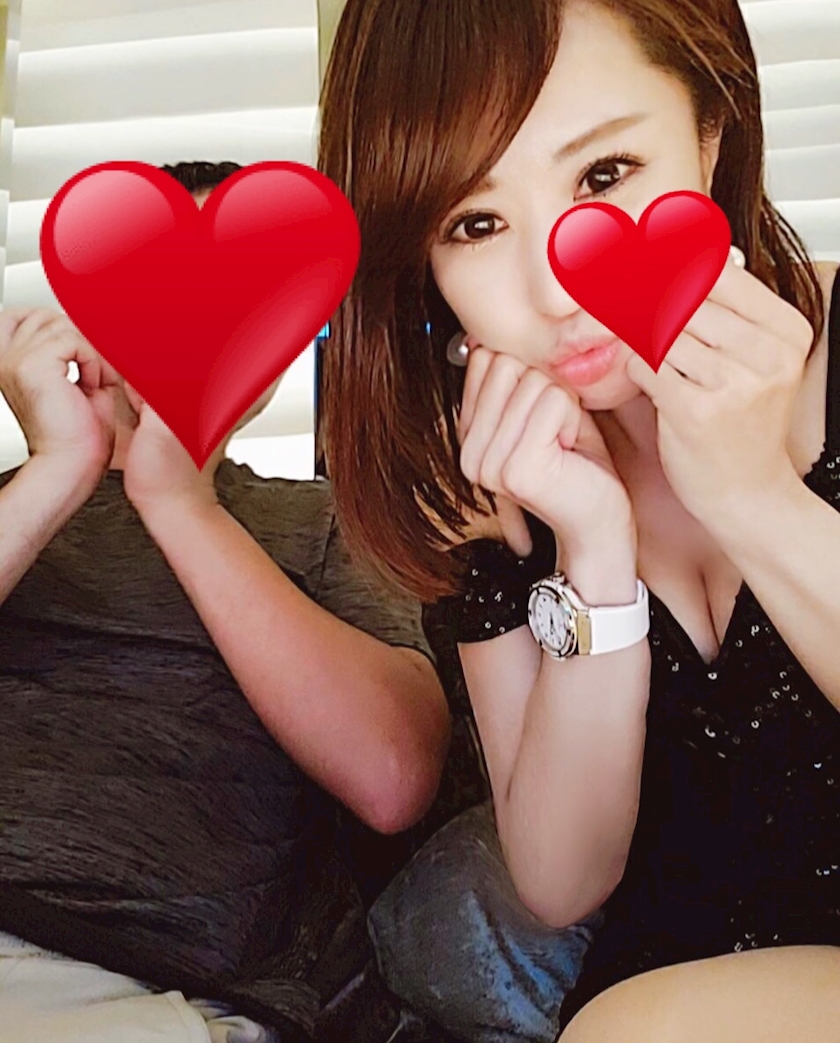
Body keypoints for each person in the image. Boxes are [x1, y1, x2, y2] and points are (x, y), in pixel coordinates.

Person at [315, 1, 840, 1040]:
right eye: (475, 223)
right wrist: (593, 559)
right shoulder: (485, 489)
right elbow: (563, 878)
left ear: (711, 131)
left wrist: (750, 494)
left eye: (605, 175)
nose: (557, 287)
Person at [0, 160, 450, 1043]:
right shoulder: (20, 502)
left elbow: (394, 780)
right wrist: (56, 470)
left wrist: (182, 504)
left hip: (158, 992)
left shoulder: (326, 524)